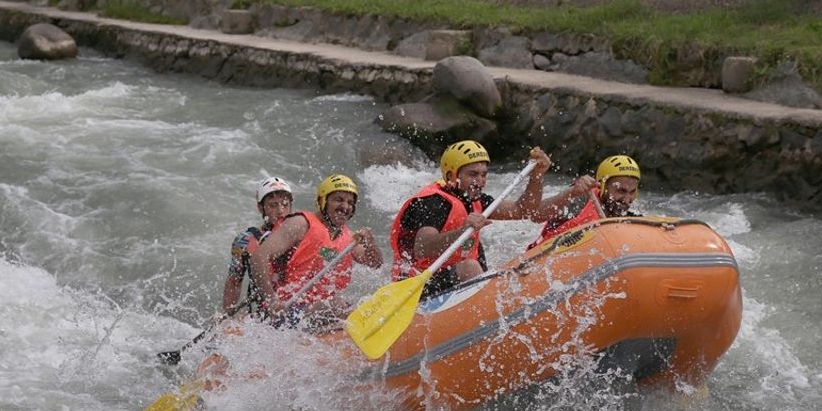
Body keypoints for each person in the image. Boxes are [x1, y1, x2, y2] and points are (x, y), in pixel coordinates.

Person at [389, 140, 554, 298]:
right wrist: (461, 232)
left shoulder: (474, 199)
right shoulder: (432, 203)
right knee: (469, 267)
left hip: (449, 278)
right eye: (473, 174)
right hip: (415, 287)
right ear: (451, 176)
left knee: (482, 257)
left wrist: (537, 176)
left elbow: (522, 210)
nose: (480, 181)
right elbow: (422, 248)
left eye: (484, 174)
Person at [248, 173, 382, 328]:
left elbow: (375, 263)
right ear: (322, 201)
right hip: (285, 310)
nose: (345, 207)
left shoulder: (350, 238)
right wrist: (271, 301)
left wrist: (370, 243)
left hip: (317, 310)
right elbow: (258, 257)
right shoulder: (300, 224)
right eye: (338, 199)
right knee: (338, 305)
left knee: (354, 304)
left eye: (350, 203)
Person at [526, 154, 642, 250]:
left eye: (632, 192)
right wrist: (571, 192)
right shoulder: (581, 199)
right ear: (602, 186)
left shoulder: (628, 218)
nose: (627, 199)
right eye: (621, 190)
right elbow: (536, 214)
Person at [222, 176, 294, 315]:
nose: (280, 211)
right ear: (261, 208)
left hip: (297, 305)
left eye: (285, 204)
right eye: (273, 205)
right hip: (263, 311)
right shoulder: (245, 241)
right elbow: (234, 282)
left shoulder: (303, 233)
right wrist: (228, 314)